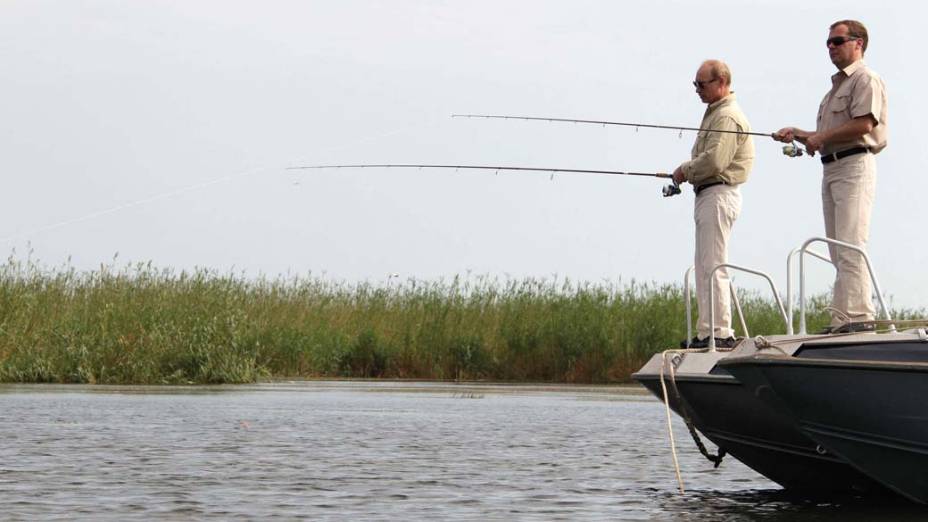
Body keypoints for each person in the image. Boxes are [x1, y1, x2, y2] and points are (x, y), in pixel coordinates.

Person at [774, 20, 887, 333]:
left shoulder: (866, 78)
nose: (831, 47)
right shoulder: (834, 89)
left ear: (858, 43)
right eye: (828, 43)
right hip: (831, 168)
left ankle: (860, 318)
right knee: (837, 248)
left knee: (851, 244)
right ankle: (843, 318)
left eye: (837, 41)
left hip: (854, 166)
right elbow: (826, 135)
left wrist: (821, 138)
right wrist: (799, 134)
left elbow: (864, 124)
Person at [674, 60, 755, 349]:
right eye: (695, 84)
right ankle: (707, 331)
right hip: (708, 194)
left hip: (720, 193)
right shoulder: (714, 114)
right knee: (704, 264)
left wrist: (685, 170)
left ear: (721, 82)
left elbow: (715, 161)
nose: (697, 90)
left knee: (714, 264)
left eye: (702, 84)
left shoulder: (727, 117)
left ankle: (719, 332)